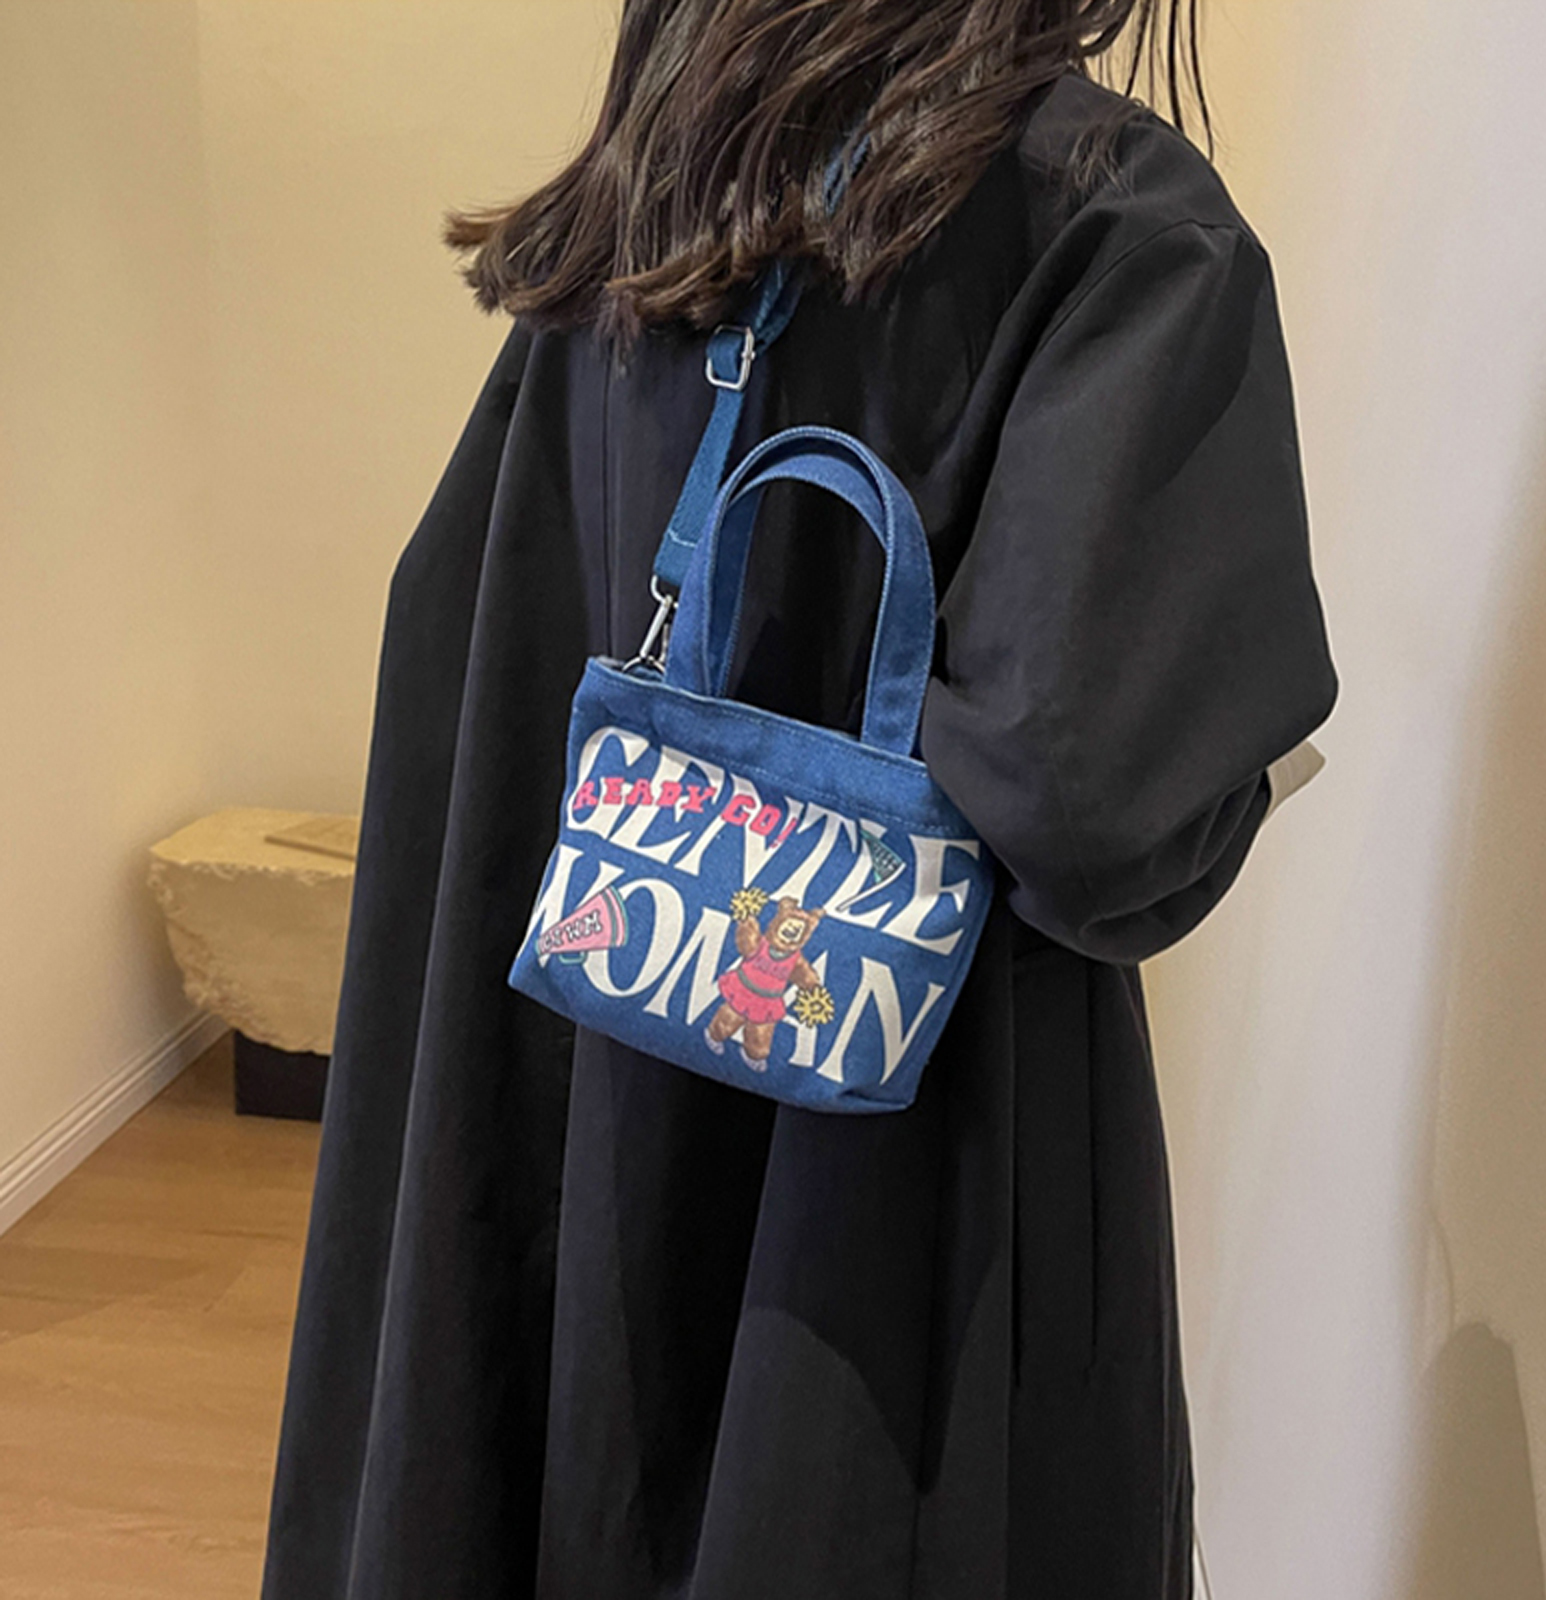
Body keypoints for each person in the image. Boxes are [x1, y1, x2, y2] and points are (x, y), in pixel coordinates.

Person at [261, 3, 1339, 1596]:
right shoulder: (1111, 218)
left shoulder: (658, 183)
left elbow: (456, 619)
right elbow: (1091, 805)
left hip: (576, 1066)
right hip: (898, 1188)